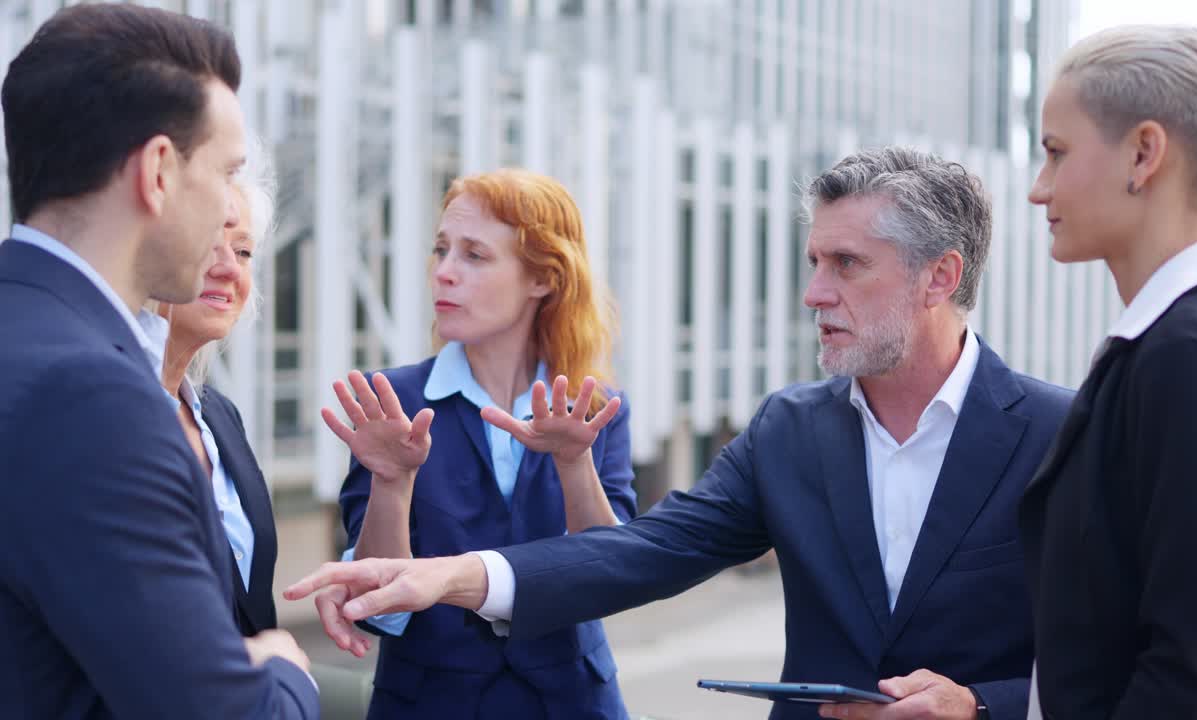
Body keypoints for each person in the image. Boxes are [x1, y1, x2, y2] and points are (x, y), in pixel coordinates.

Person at [288, 148, 1075, 720]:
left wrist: (982, 705)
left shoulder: (1059, 434)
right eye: (813, 261)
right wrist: (449, 576)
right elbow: (643, 553)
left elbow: (1119, 656)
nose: (813, 292)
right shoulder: (788, 432)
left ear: (940, 277)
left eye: (845, 264)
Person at [0, 5, 318, 719]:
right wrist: (283, 670)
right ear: (158, 172)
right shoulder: (94, 399)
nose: (231, 208)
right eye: (226, 172)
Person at [309, 169, 638, 719]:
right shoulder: (393, 403)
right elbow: (377, 608)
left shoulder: (594, 408)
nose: (443, 272)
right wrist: (392, 483)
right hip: (429, 706)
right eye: (441, 250)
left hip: (574, 704)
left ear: (543, 278)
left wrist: (574, 461)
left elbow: (613, 579)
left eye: (474, 255)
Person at [1021, 25, 1197, 719]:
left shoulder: (1193, 360)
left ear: (1143, 153)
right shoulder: (1182, 344)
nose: (1038, 189)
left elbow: (1180, 672)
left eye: (1056, 152)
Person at [155, 151, 280, 636]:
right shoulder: (106, 413)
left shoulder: (220, 416)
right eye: (210, 243)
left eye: (244, 251)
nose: (230, 268)